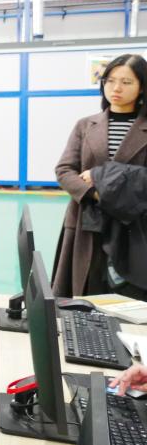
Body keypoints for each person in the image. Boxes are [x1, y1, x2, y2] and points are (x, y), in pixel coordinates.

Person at [53, 54, 147, 297]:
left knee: (130, 298)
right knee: (85, 291)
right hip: (86, 220)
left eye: (126, 82)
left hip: (133, 224)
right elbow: (64, 169)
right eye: (110, 80)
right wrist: (95, 193)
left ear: (141, 87)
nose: (116, 88)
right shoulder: (85, 125)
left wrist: (100, 177)